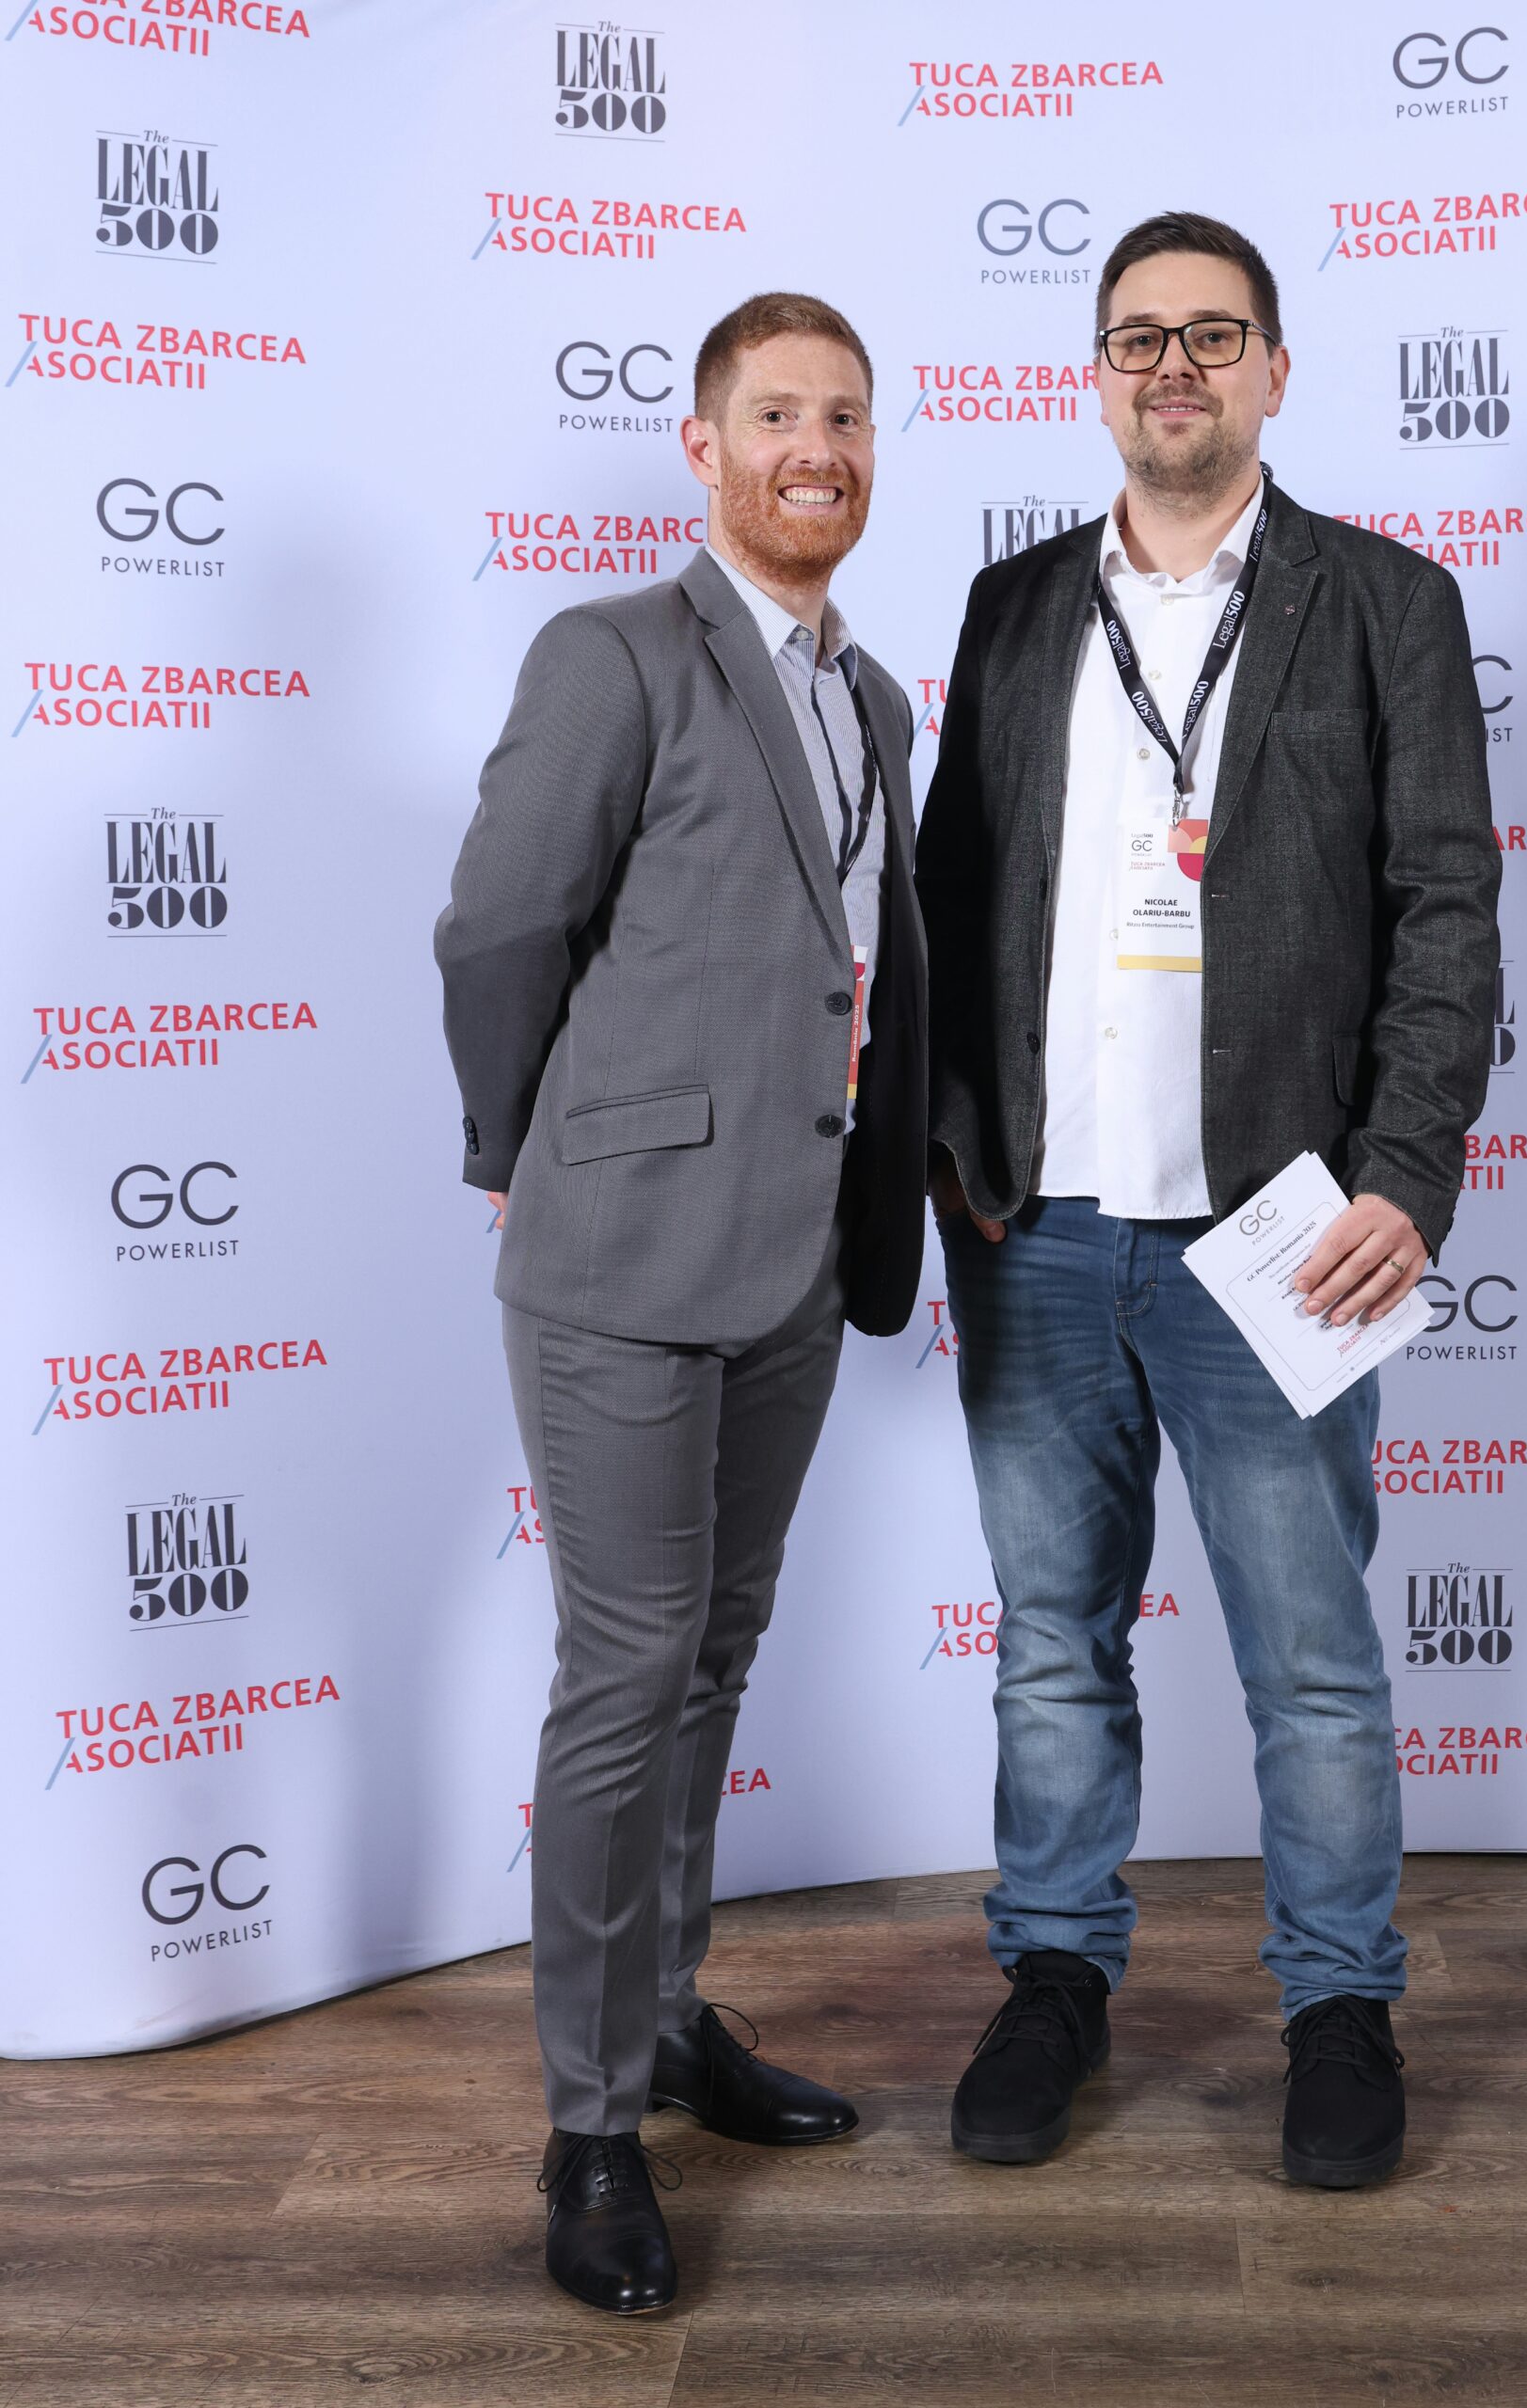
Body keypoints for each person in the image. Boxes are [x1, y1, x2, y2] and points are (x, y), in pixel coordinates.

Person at [915, 211, 1499, 2188]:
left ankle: (1338, 2004)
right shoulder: (1010, 608)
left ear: (1273, 370)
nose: (1174, 365)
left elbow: (1445, 912)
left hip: (1284, 1229)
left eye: (1213, 335)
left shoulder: (1386, 603)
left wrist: (1405, 1174)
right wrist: (956, 1158)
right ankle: (1053, 1976)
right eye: (1140, 336)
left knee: (1310, 1658)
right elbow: (949, 896)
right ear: (1097, 375)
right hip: (1040, 1231)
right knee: (1049, 1643)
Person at [435, 293, 926, 2311]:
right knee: (626, 1670)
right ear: (705, 448)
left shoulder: (873, 696)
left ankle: (661, 2023)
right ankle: (587, 2130)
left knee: (713, 1656)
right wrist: (515, 1144)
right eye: (778, 414)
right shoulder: (616, 652)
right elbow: (499, 927)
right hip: (622, 1255)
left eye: (847, 417)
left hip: (793, 1255)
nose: (818, 448)